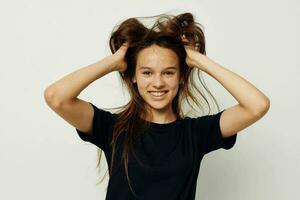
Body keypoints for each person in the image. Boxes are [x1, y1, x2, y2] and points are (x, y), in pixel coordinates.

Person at [44, 12, 270, 200]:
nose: (158, 83)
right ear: (133, 76)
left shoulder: (196, 133)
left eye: (169, 72)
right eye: (147, 73)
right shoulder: (112, 128)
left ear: (181, 76)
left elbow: (257, 105)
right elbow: (56, 97)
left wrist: (197, 60)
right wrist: (114, 62)